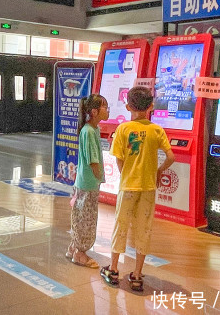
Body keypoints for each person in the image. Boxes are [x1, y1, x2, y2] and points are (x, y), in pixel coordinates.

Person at [101, 86, 174, 291]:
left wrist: (126, 174)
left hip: (128, 186)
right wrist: (158, 171)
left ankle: (113, 269)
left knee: (121, 226)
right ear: (151, 106)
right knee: (144, 228)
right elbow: (171, 157)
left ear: (128, 107)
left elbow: (119, 159)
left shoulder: (123, 129)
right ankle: (136, 275)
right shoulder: (157, 130)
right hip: (148, 187)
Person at [66, 94, 108, 269]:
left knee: (80, 216)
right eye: (104, 107)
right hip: (88, 183)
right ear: (94, 111)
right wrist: (98, 178)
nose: (107, 110)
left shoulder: (91, 129)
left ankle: (73, 247)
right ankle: (80, 253)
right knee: (87, 219)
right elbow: (93, 161)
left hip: (84, 182)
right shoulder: (89, 131)